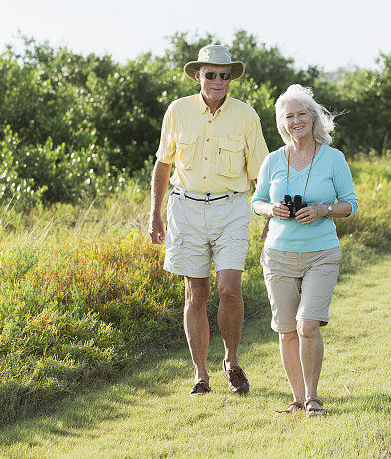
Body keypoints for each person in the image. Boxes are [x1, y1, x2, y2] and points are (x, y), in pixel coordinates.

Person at [149, 45, 269, 396]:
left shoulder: (246, 115)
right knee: (195, 293)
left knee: (229, 290)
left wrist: (267, 214)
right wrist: (154, 212)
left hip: (231, 208)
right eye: (211, 74)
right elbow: (163, 163)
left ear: (231, 77)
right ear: (198, 75)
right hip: (185, 208)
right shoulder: (177, 111)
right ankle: (200, 375)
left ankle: (231, 360)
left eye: (224, 74)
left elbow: (262, 172)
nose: (218, 81)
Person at [251, 84, 358, 417]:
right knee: (286, 331)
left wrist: (323, 209)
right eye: (289, 116)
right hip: (279, 254)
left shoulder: (333, 158)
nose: (296, 121)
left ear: (313, 117)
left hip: (321, 253)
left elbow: (350, 204)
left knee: (307, 325)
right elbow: (256, 201)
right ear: (282, 123)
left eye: (301, 114)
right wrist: (271, 210)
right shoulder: (272, 161)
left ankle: (313, 398)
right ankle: (297, 400)